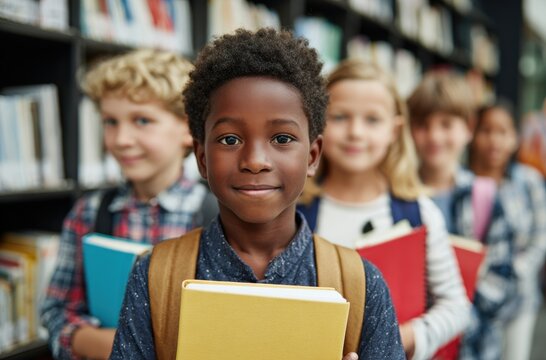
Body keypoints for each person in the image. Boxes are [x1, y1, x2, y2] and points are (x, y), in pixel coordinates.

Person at [110, 28, 405, 360]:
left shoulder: (361, 284)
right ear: (202, 158)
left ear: (312, 156)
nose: (254, 161)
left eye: (281, 138)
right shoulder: (155, 276)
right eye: (230, 140)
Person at [40, 49, 215, 359]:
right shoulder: (90, 212)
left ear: (189, 130)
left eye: (142, 120)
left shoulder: (217, 219)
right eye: (110, 122)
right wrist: (111, 345)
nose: (121, 139)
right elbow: (57, 311)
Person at [297, 60, 470, 360]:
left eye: (372, 120)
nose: (355, 132)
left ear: (395, 130)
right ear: (317, 125)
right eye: (340, 117)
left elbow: (456, 306)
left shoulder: (419, 213)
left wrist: (399, 338)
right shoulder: (296, 210)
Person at [408, 70, 517, 360]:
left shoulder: (484, 197)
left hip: (471, 348)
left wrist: (456, 315)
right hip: (411, 343)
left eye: (446, 124)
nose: (434, 136)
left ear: (468, 128)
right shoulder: (399, 196)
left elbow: (503, 285)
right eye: (423, 125)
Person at [469, 101, 546, 360]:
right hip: (472, 300)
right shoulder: (462, 184)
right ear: (473, 135)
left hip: (519, 297)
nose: (494, 140)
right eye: (486, 131)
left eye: (503, 132)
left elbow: (540, 236)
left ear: (515, 138)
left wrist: (515, 272)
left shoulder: (528, 181)